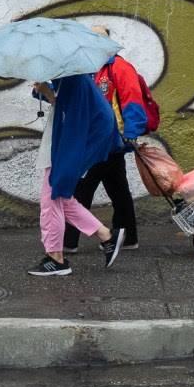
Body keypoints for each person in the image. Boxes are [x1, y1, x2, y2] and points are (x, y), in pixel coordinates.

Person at [27, 73, 126, 277]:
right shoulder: (70, 77)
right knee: (62, 197)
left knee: (51, 199)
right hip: (62, 144)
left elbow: (75, 116)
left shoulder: (74, 78)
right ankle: (106, 236)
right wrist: (46, 92)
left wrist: (47, 92)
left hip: (65, 146)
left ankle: (56, 259)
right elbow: (67, 105)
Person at [63, 25, 144, 254]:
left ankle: (68, 242)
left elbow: (132, 101)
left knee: (80, 189)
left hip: (107, 141)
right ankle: (127, 238)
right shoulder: (89, 69)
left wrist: (131, 133)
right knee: (118, 190)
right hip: (100, 140)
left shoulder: (119, 67)